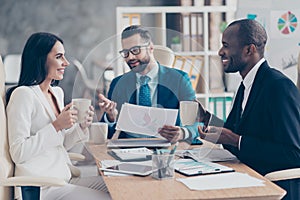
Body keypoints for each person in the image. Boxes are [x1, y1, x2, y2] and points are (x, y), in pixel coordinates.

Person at [197, 19, 300, 200]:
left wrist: (235, 140)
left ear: (249, 50)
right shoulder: (246, 85)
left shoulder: (278, 87)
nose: (220, 52)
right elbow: (239, 133)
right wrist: (207, 119)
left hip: (272, 187)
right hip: (245, 177)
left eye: (226, 45)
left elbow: (294, 154)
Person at [6, 32, 111, 200]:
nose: (66, 63)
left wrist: (80, 126)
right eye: (59, 56)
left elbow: (60, 144)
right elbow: (18, 152)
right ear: (41, 59)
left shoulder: (57, 93)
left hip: (62, 178)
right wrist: (56, 126)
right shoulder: (23, 95)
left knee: (117, 186)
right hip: (41, 187)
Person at [98, 25, 200, 144]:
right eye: (125, 52)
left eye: (135, 50)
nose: (130, 57)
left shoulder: (179, 79)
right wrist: (111, 117)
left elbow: (198, 120)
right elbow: (106, 132)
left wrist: (183, 133)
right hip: (130, 149)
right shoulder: (118, 83)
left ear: (150, 47)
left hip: (167, 149)